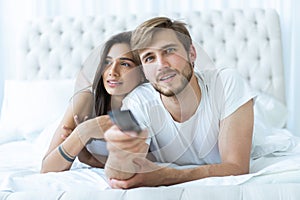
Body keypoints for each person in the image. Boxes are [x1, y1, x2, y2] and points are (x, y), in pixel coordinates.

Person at [104, 17, 256, 188]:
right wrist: (117, 153)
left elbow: (237, 167)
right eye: (149, 58)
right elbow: (119, 175)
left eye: (169, 50)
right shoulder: (136, 102)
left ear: (192, 53)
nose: (162, 65)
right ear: (145, 72)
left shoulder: (226, 82)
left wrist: (166, 176)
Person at [40, 31, 146, 174]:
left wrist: (87, 157)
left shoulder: (147, 106)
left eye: (125, 64)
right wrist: (80, 134)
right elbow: (47, 168)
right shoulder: (85, 100)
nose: (112, 72)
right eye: (107, 62)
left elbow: (141, 165)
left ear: (142, 73)